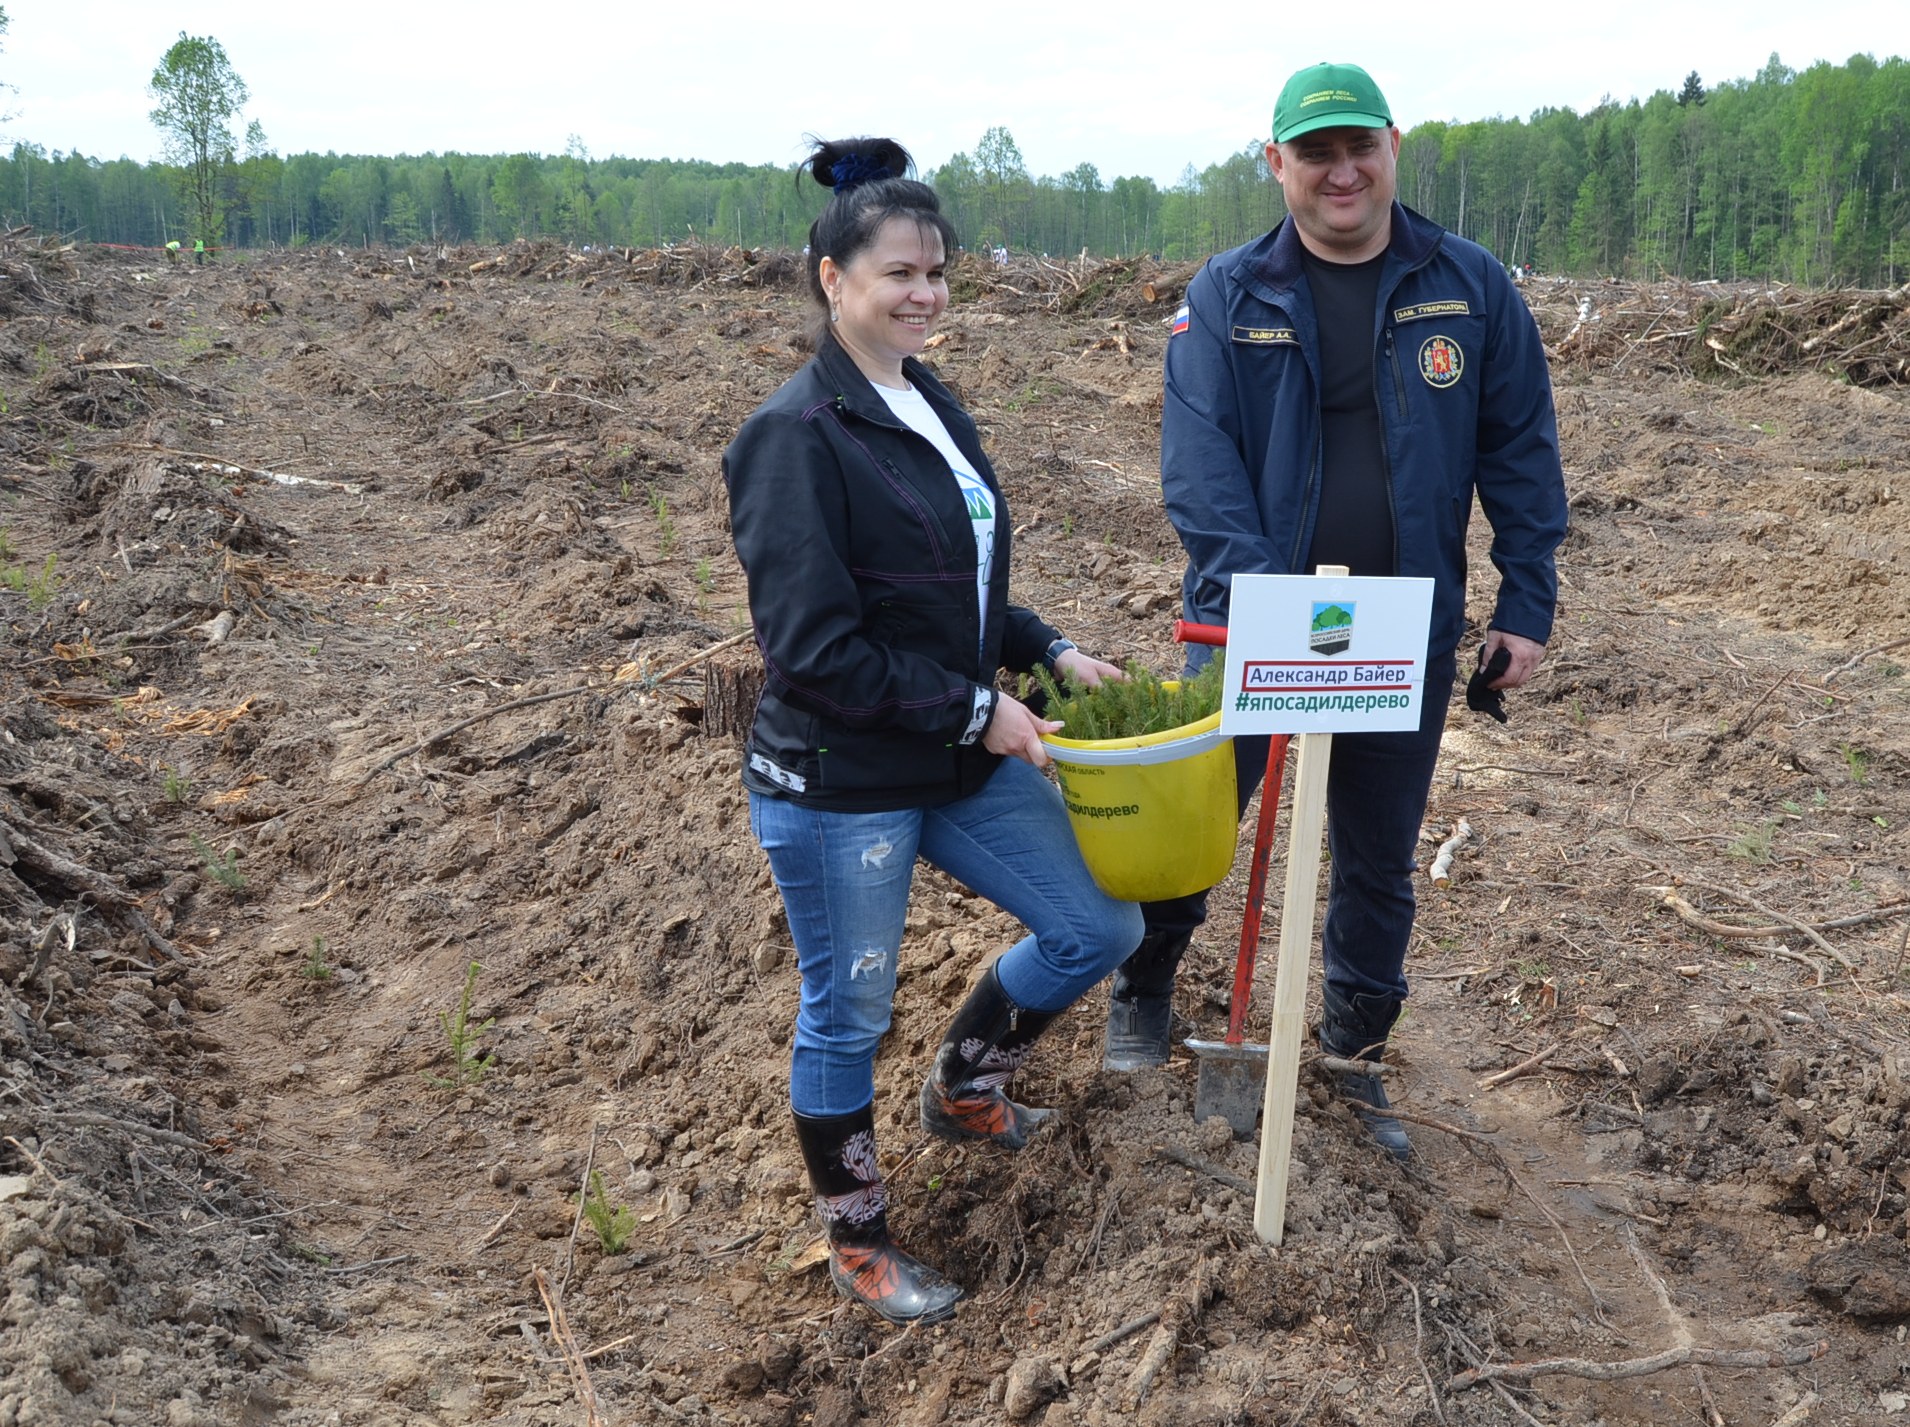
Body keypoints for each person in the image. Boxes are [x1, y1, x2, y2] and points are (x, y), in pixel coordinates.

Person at [1103, 63, 1568, 1162]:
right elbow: (1197, 465)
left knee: (1371, 852)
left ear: (1392, 146)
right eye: (1314, 153)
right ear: (1278, 165)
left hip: (1402, 628)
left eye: (1357, 146)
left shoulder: (1468, 285)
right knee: (1191, 820)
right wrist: (1268, 601)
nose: (1340, 170)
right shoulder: (1225, 293)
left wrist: (1526, 600)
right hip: (1246, 622)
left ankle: (1354, 1055)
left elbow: (1519, 450)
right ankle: (1144, 989)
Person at [723, 136, 1144, 1325]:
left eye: (937, 273)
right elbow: (813, 648)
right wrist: (978, 708)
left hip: (949, 751)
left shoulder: (930, 400)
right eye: (898, 272)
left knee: (1095, 922)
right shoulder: (794, 435)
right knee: (846, 1010)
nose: (923, 293)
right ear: (831, 280)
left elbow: (956, 584)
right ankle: (858, 1240)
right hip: (838, 777)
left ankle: (966, 1086)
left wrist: (1044, 646)